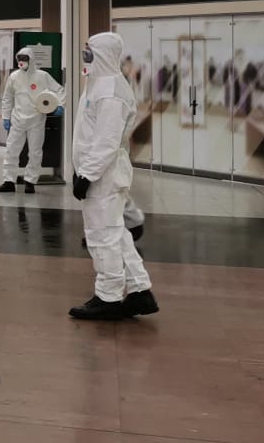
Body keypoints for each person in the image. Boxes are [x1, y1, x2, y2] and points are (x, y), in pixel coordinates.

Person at [70, 32, 156, 320]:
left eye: (89, 51)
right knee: (116, 232)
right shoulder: (99, 84)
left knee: (101, 235)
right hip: (101, 173)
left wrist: (87, 174)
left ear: (103, 53)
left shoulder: (110, 90)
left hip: (103, 175)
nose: (85, 57)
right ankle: (139, 291)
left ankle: (107, 296)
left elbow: (106, 141)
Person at [0, 46, 65, 193]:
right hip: (17, 120)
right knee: (11, 151)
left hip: (37, 120)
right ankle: (9, 181)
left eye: (24, 58)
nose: (21, 61)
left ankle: (30, 181)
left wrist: (60, 105)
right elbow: (7, 98)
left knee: (35, 152)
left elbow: (59, 89)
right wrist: (6, 117)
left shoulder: (42, 76)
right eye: (19, 59)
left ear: (31, 59)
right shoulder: (14, 76)